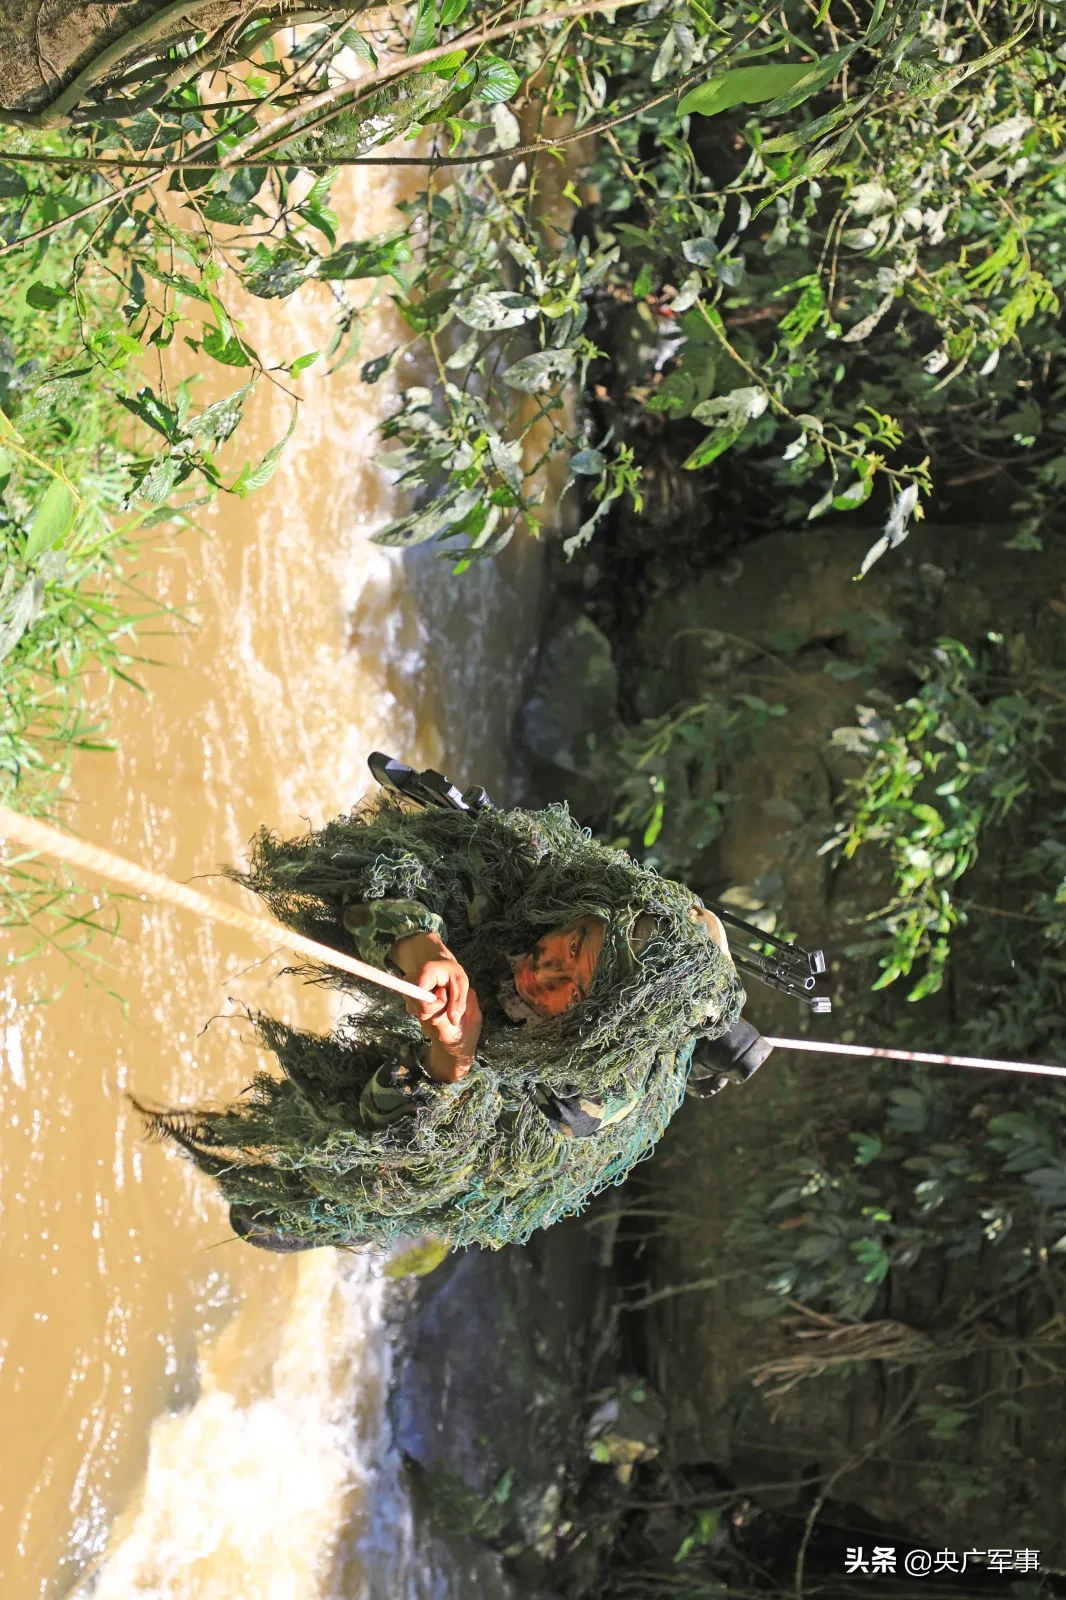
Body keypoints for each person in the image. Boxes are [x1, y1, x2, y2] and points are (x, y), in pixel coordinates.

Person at [140, 792, 760, 1253]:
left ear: (598, 1026)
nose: (546, 974)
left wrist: (449, 1063)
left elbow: (416, 1170)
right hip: (498, 957)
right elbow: (384, 867)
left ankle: (323, 1213)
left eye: (574, 991)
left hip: (513, 1112)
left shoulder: (570, 1114)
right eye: (570, 946)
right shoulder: (546, 880)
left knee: (347, 1188)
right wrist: (413, 939)